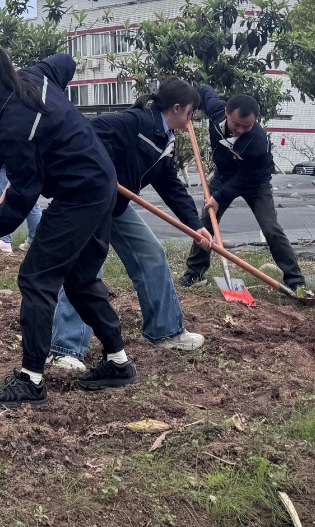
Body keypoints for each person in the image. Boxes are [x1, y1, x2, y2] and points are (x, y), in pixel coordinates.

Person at [0, 47, 132, 406]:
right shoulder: (34, 76)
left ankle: (31, 380)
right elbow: (67, 62)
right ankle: (118, 362)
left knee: (36, 278)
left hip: (79, 194)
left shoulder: (15, 125)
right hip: (102, 181)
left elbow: (25, 193)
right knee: (80, 279)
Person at [50, 77, 207, 369]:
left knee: (151, 253)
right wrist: (106, 173)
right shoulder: (134, 121)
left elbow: (170, 184)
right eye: (190, 113)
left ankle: (164, 331)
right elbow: (92, 132)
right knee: (85, 270)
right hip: (90, 203)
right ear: (177, 108)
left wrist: (194, 225)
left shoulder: (165, 139)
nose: (190, 120)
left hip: (116, 206)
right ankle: (65, 349)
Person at [180, 90, 308, 294]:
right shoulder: (216, 111)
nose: (240, 130)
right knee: (206, 222)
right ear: (226, 112)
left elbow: (247, 177)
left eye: (246, 126)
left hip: (255, 182)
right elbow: (203, 90)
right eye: (236, 124)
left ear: (255, 121)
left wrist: (218, 197)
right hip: (223, 176)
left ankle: (296, 281)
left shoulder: (258, 142)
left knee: (271, 228)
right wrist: (189, 107)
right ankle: (195, 272)